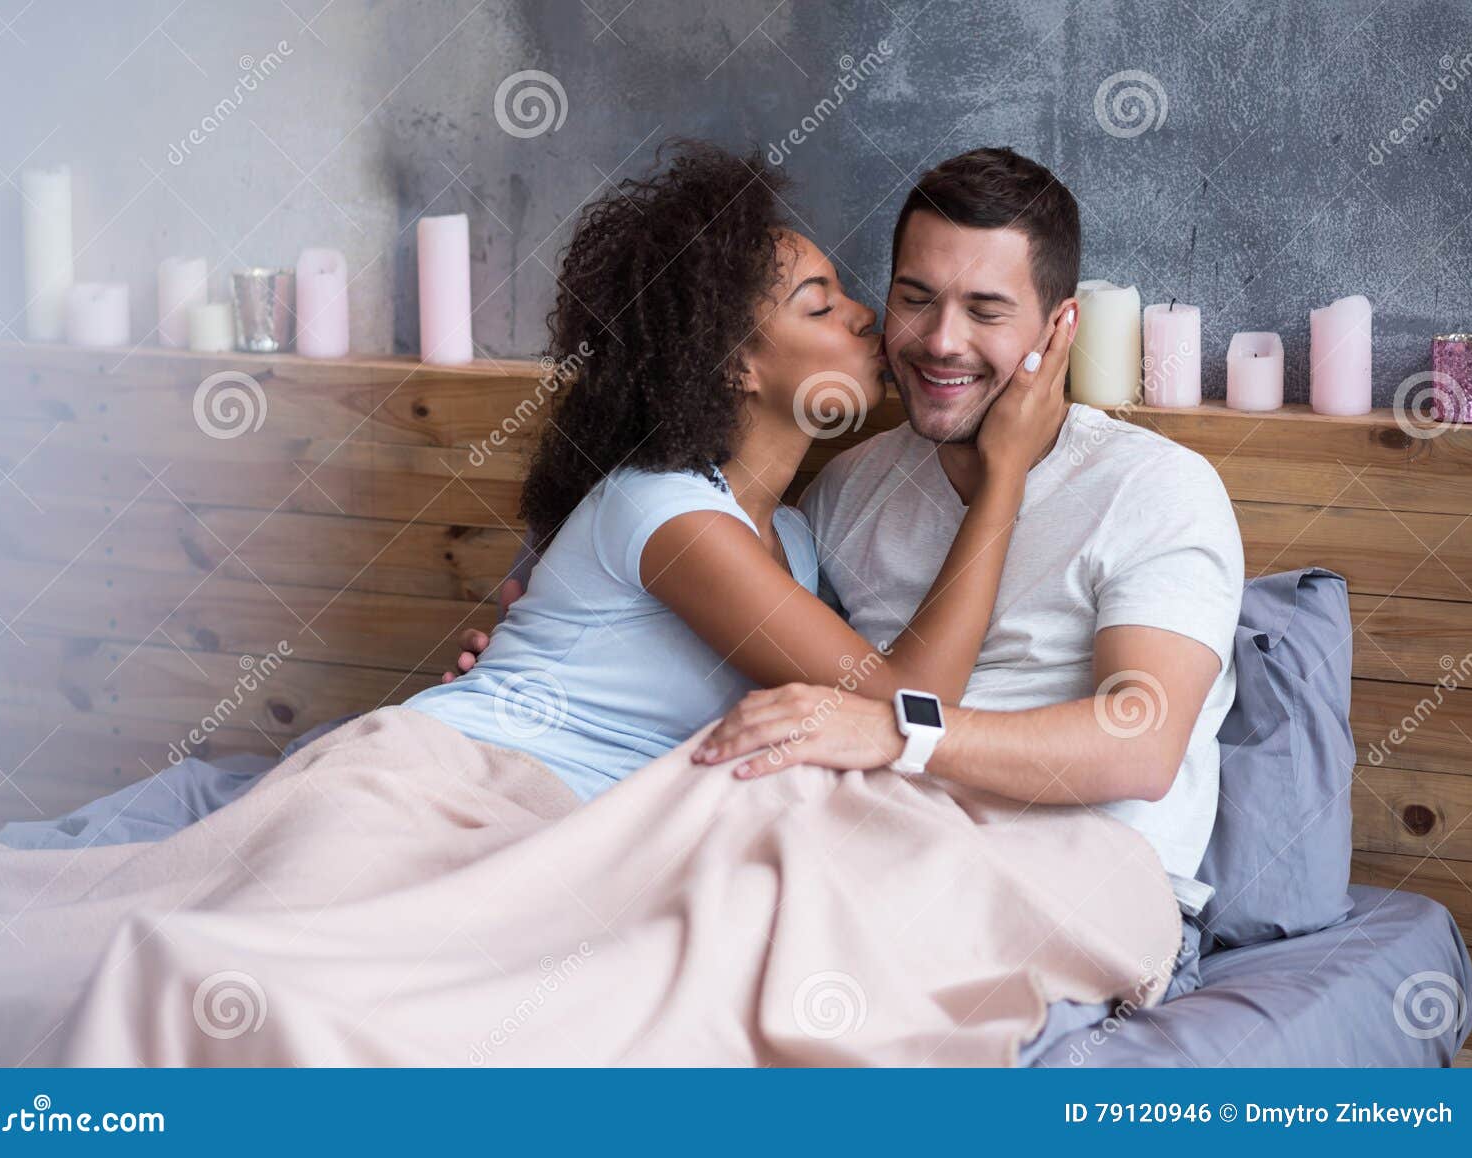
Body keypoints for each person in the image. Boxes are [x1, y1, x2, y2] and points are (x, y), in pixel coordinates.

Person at [415, 140, 1073, 801]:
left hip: (582, 826)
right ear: (736, 365)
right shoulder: (667, 513)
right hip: (465, 785)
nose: (865, 314)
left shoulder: (795, 539)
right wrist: (1004, 475)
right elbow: (911, 700)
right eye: (821, 305)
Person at [695, 148, 1244, 914]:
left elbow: (1141, 743)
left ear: (1060, 328)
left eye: (985, 312)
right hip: (860, 861)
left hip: (1075, 893)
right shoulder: (850, 486)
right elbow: (755, 646)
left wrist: (901, 731)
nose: (942, 341)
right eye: (916, 300)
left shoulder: (1155, 488)